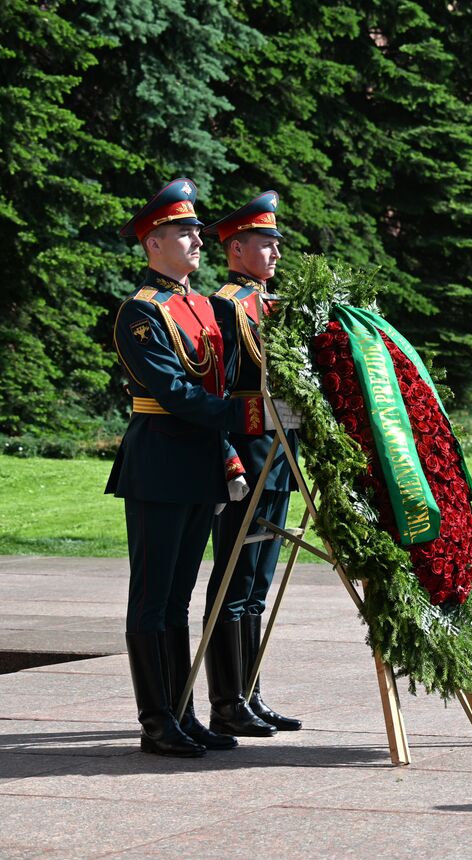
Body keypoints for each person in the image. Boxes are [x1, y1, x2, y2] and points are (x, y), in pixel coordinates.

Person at [108, 179, 265, 757]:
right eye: (184, 232)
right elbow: (174, 391)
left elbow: (217, 379)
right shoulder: (141, 313)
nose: (198, 239)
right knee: (153, 597)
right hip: (159, 460)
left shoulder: (201, 305)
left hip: (199, 461)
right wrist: (250, 414)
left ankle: (183, 712)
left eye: (197, 231)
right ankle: (156, 721)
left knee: (180, 596)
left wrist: (226, 445)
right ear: (153, 244)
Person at [202, 190, 302, 736]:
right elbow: (217, 390)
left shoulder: (269, 303)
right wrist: (227, 458)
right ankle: (225, 702)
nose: (276, 254)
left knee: (259, 583)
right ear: (237, 248)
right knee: (234, 580)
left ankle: (250, 691)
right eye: (267, 245)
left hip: (280, 457)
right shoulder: (224, 305)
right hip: (247, 458)